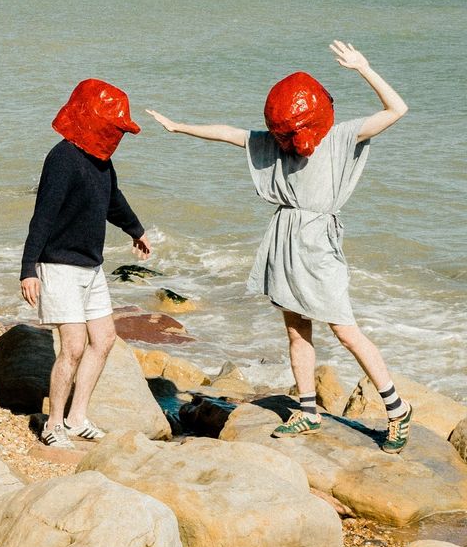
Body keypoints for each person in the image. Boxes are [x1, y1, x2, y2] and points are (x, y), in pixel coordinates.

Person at [146, 40, 412, 453]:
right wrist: (179, 127)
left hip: (318, 242)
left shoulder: (342, 137)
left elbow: (397, 110)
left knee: (344, 330)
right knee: (296, 330)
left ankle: (398, 411)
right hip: (285, 237)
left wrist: (363, 67)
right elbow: (231, 134)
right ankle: (307, 410)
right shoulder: (273, 141)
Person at [20, 79, 152, 450]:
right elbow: (42, 216)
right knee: (74, 346)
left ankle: (78, 417)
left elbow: (113, 200)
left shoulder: (101, 161)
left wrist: (135, 230)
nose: (116, 134)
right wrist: (29, 267)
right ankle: (53, 424)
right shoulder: (62, 158)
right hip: (58, 263)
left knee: (105, 339)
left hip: (91, 267)